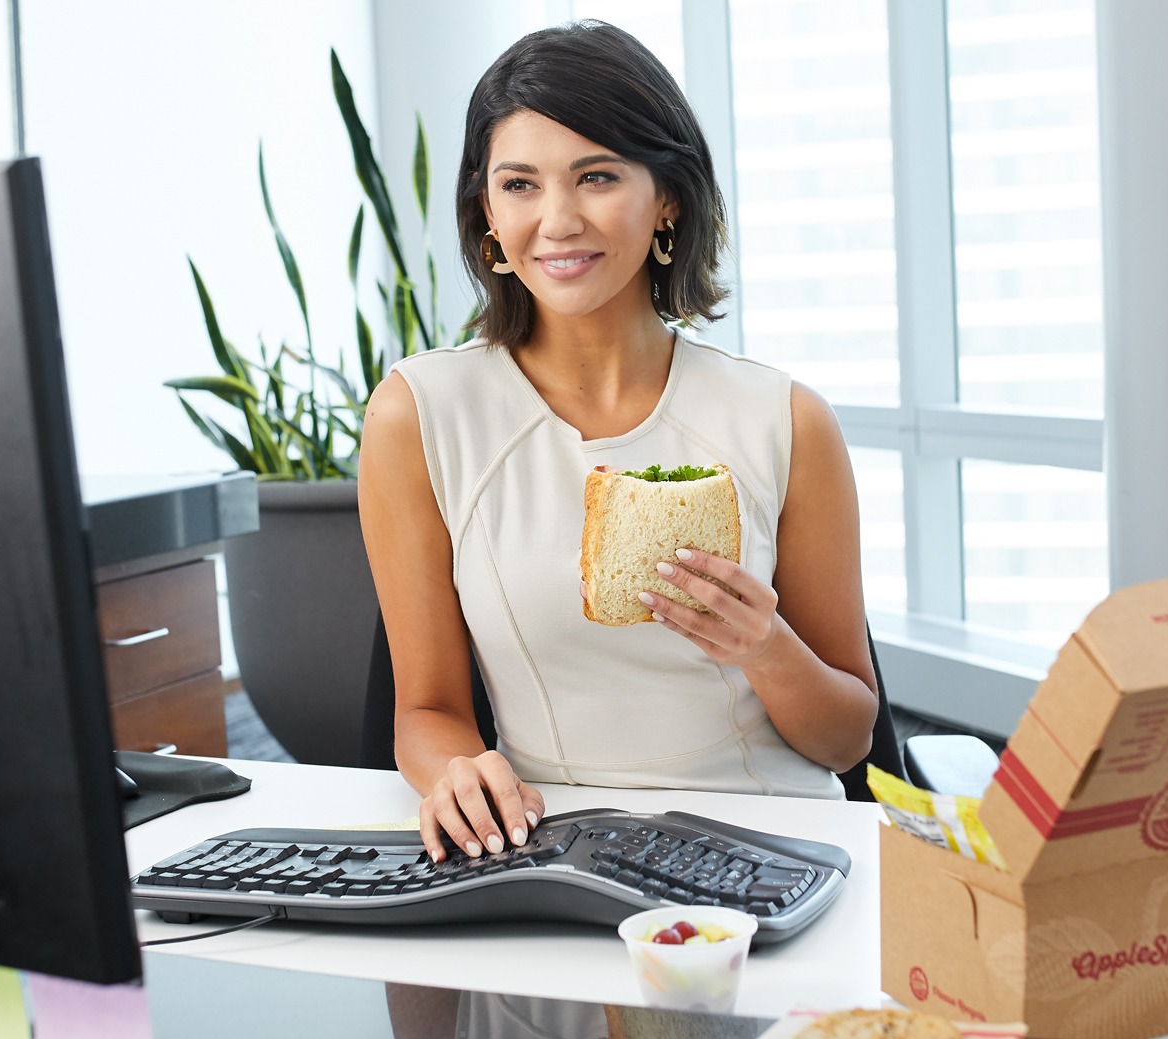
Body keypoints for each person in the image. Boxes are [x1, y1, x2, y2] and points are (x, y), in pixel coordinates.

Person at [359, 21, 878, 866]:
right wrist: (457, 772)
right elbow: (426, 708)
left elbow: (847, 737)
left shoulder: (785, 419)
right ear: (487, 213)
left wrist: (766, 648)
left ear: (666, 196)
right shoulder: (420, 414)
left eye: (596, 176)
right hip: (554, 848)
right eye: (519, 184)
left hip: (775, 846)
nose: (557, 220)